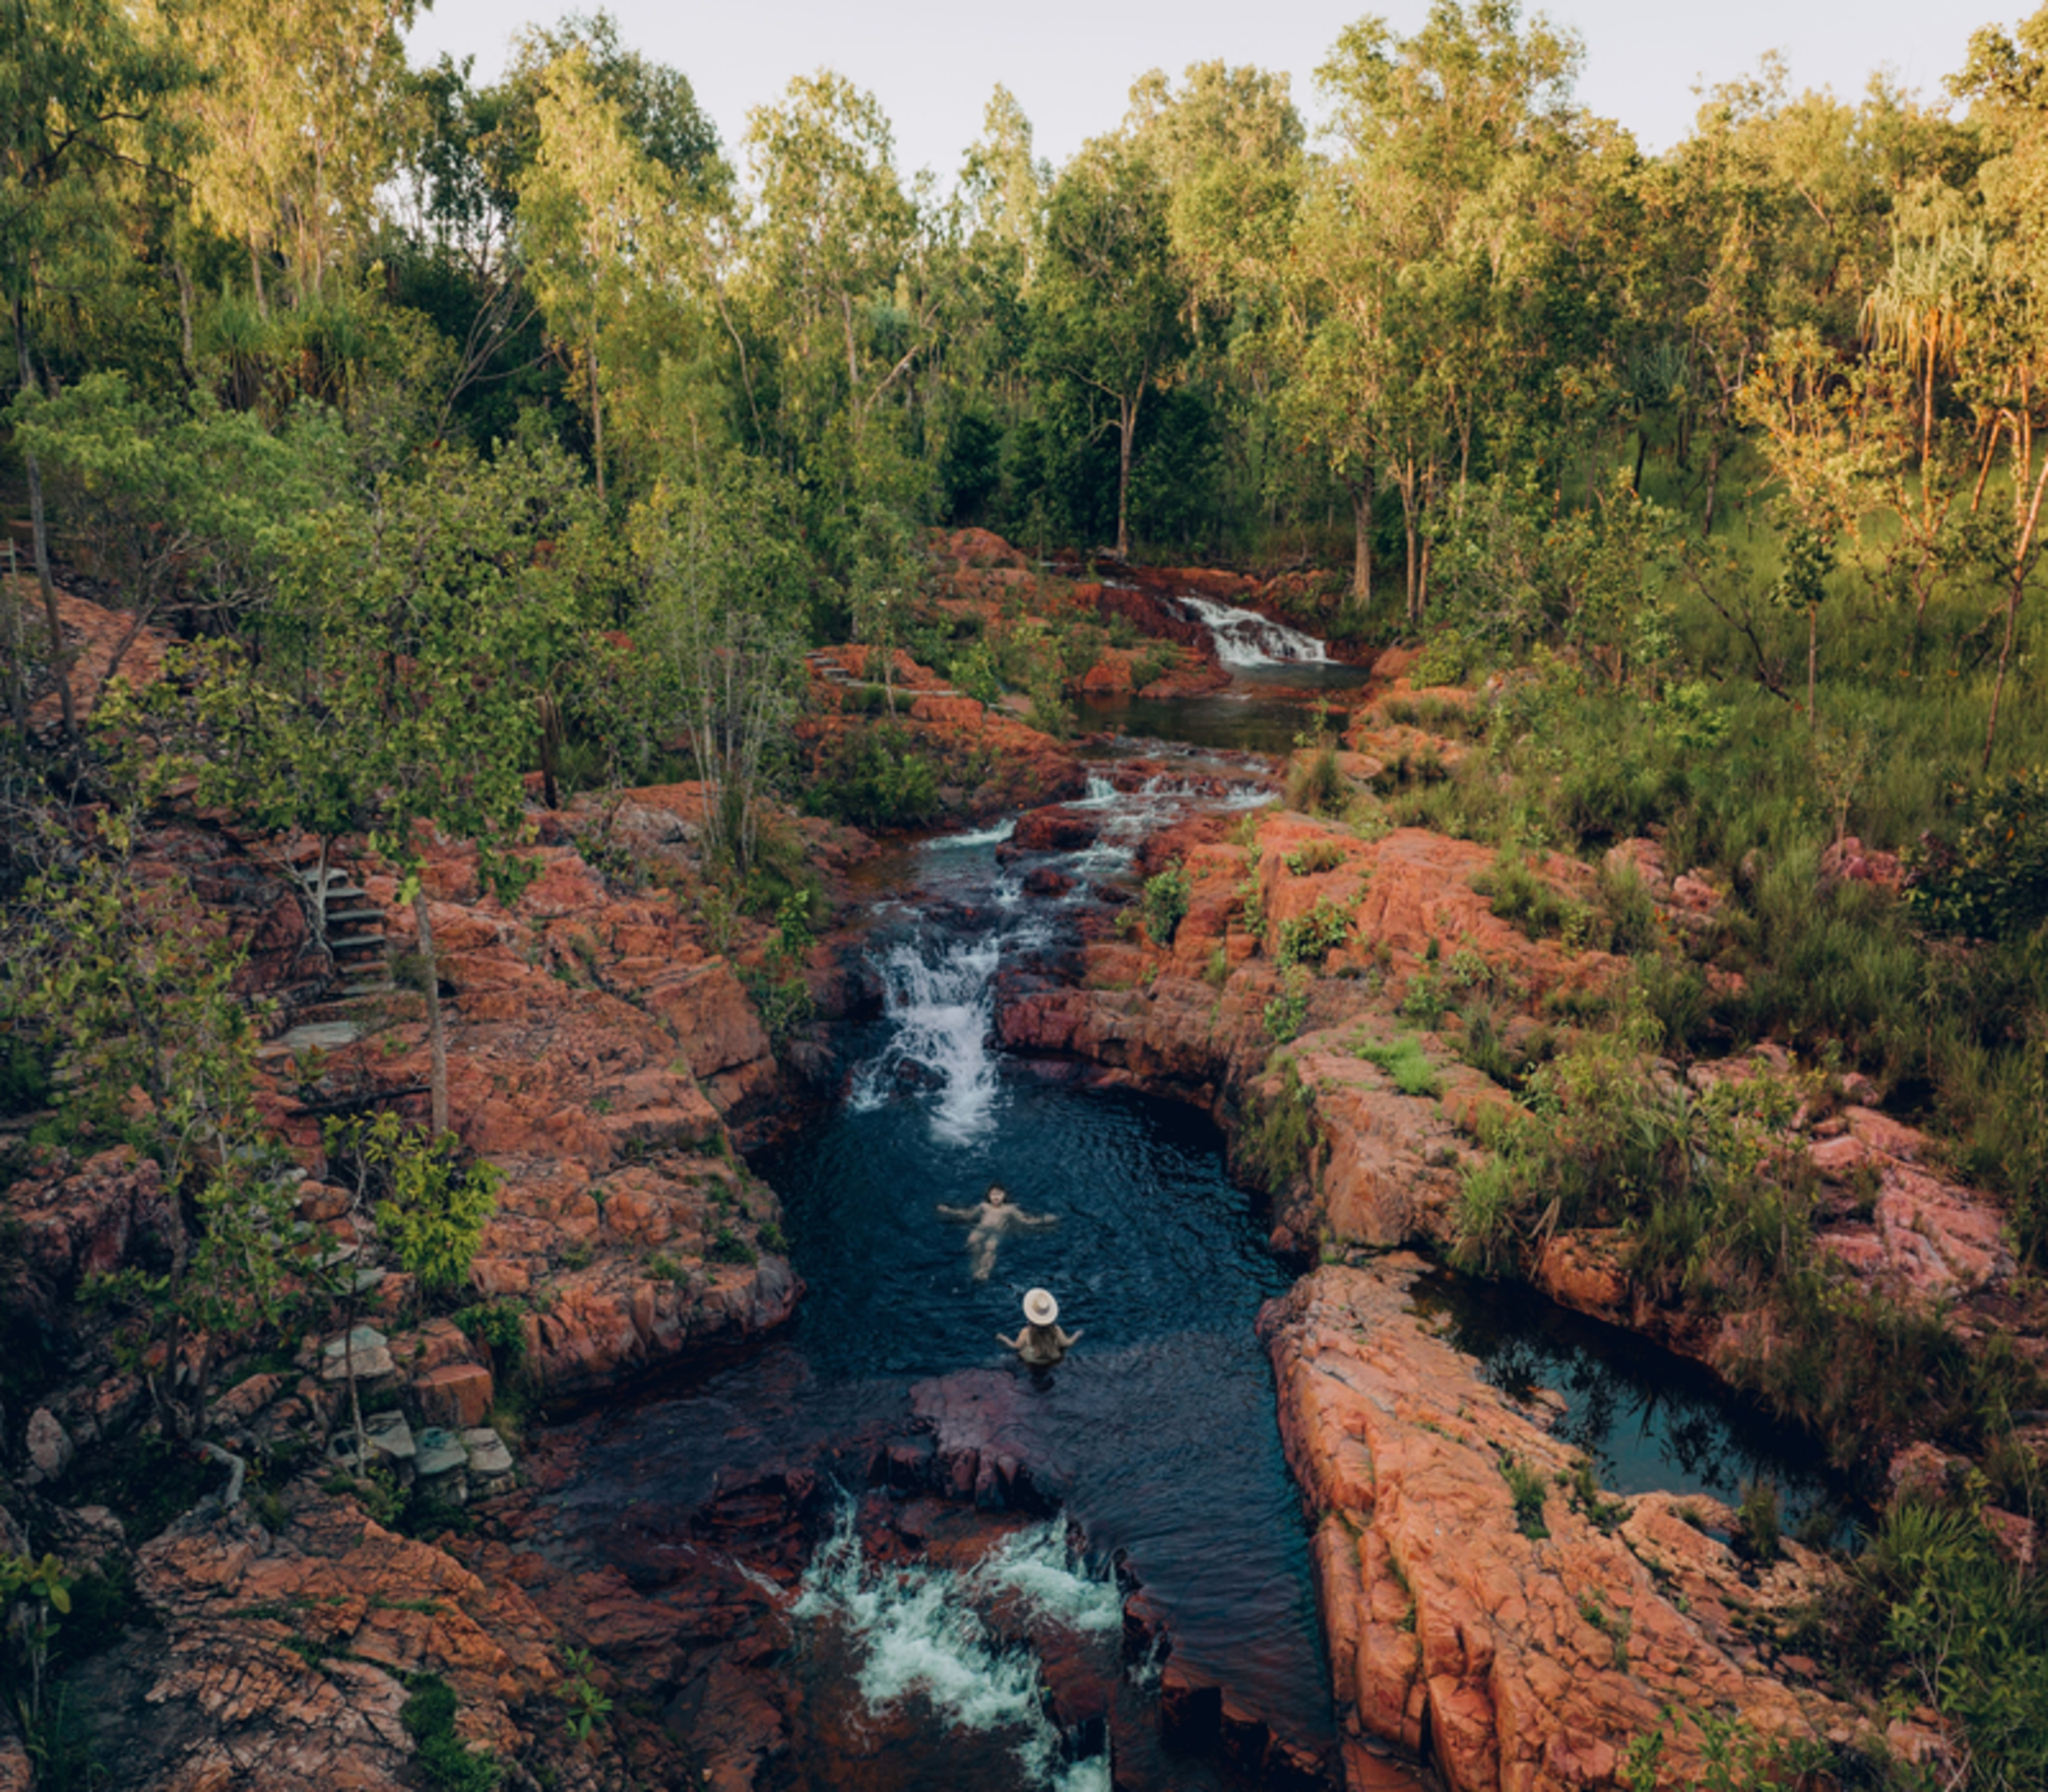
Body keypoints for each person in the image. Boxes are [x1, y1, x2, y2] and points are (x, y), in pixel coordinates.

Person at [935, 1183, 1059, 1282]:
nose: (996, 1197)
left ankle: (984, 1271)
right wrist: (949, 1211)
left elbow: (1025, 1220)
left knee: (990, 1247)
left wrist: (1044, 1220)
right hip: (981, 1229)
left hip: (996, 1232)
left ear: (1004, 1195)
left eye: (999, 1194)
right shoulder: (984, 1206)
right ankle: (976, 1263)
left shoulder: (1010, 1209)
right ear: (989, 1196)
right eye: (993, 1194)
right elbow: (968, 1215)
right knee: (972, 1241)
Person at [998, 1287, 1082, 1368]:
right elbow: (1066, 1344)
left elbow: (1017, 1347)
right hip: (1053, 1361)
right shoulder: (1056, 1330)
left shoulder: (1026, 1332)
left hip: (1031, 1362)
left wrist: (1003, 1338)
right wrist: (1077, 1335)